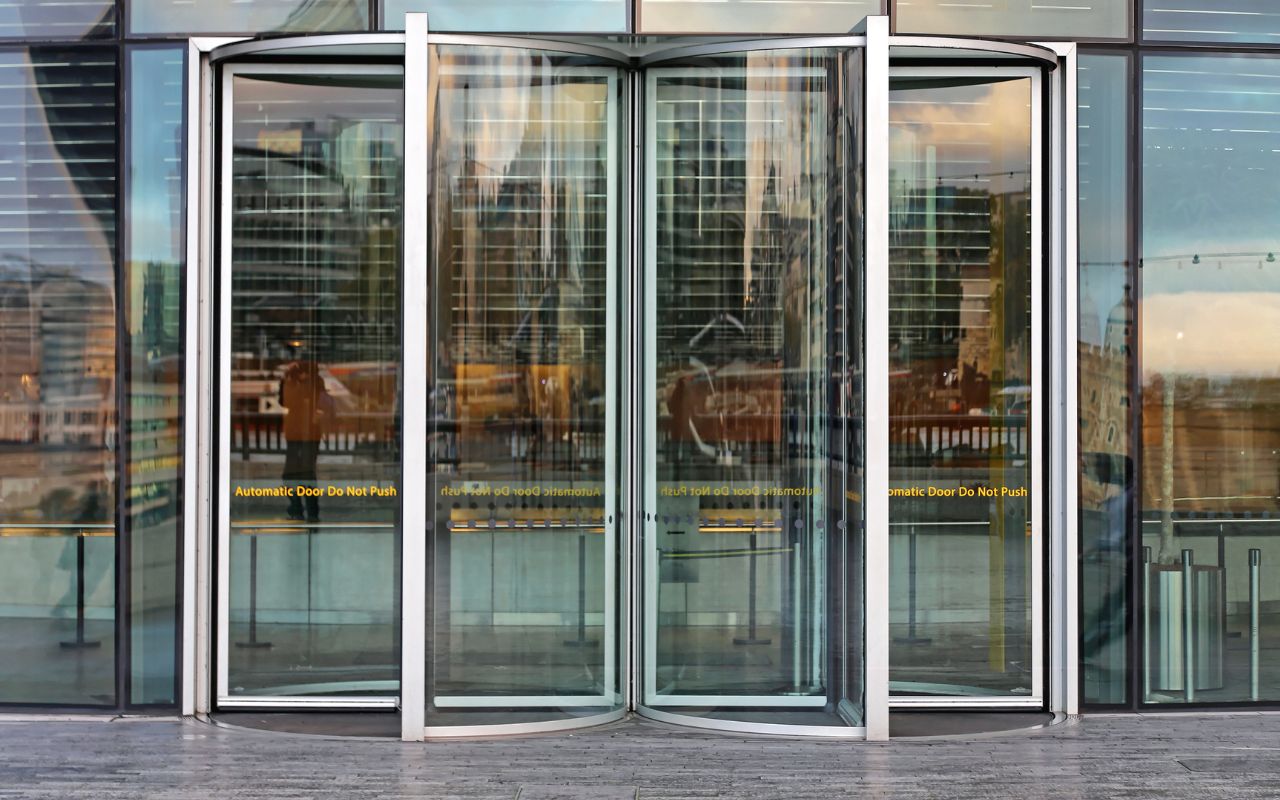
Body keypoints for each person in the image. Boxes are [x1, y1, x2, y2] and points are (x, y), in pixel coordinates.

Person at [279, 360, 333, 522]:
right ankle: (304, 510)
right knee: (299, 474)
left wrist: (289, 378)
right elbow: (284, 400)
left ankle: (304, 510)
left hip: (307, 433)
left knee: (302, 473)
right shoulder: (298, 382)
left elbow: (288, 401)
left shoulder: (313, 383)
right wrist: (288, 378)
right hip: (299, 433)